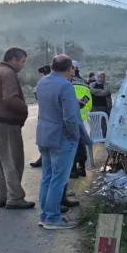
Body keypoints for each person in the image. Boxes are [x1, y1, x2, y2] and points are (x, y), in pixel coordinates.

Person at [36, 54, 91, 229]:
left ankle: (45, 215)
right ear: (69, 69)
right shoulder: (65, 86)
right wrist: (75, 135)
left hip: (44, 136)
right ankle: (52, 218)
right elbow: (70, 117)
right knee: (58, 180)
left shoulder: (42, 82)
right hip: (62, 138)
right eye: (72, 70)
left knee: (47, 177)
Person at [0, 47, 34, 209]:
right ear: (13, 60)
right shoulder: (8, 74)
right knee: (13, 160)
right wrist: (24, 108)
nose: (22, 65)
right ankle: (15, 197)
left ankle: (3, 196)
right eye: (22, 62)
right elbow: (10, 99)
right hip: (6, 122)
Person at [70, 60, 92, 179]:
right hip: (83, 118)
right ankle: (82, 167)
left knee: (70, 144)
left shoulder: (67, 82)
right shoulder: (85, 83)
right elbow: (87, 102)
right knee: (81, 142)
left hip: (70, 118)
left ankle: (73, 169)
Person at [30, 65, 51, 168]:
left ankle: (45, 159)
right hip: (44, 113)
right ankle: (43, 158)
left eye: (41, 74)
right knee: (43, 137)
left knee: (45, 137)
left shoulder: (46, 83)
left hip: (47, 115)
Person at [90, 71, 112, 137]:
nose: (102, 78)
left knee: (104, 122)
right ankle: (94, 136)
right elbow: (90, 90)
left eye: (103, 77)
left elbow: (106, 92)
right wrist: (100, 91)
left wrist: (95, 92)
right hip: (94, 106)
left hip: (105, 107)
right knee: (94, 122)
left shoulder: (106, 85)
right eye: (100, 77)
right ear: (97, 77)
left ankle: (104, 136)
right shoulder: (92, 84)